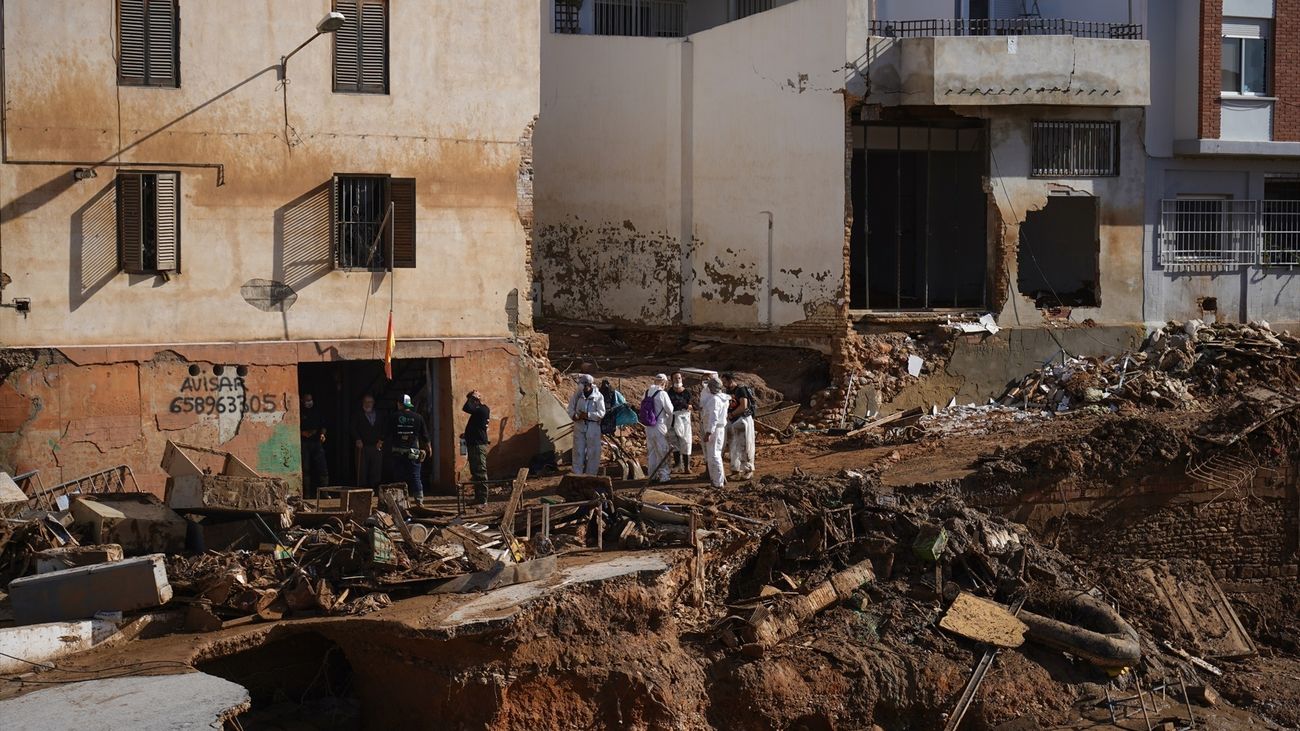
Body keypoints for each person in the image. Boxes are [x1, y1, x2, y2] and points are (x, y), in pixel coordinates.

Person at [389, 394, 430, 502]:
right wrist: (428, 446)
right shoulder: (418, 417)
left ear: (399, 404)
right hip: (413, 450)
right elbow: (425, 435)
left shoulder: (393, 417)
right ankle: (419, 500)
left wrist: (380, 441)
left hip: (397, 450)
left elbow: (386, 432)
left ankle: (399, 501)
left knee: (399, 476)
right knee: (415, 475)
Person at [568, 374, 606, 475]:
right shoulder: (577, 395)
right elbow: (570, 409)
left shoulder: (598, 397)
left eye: (583, 385)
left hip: (593, 427)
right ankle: (577, 475)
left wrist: (588, 415)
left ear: (588, 385)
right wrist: (574, 416)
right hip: (579, 426)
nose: (581, 387)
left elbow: (601, 413)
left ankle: (591, 475)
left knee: (593, 452)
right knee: (578, 451)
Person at [641, 374, 675, 483]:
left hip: (648, 426)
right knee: (662, 451)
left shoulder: (646, 392)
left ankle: (652, 475)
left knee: (652, 451)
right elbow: (670, 410)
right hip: (660, 425)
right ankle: (664, 476)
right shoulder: (662, 394)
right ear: (664, 382)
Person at [722, 372, 756, 480]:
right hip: (733, 421)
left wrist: (732, 414)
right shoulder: (728, 391)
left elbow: (744, 406)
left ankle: (748, 470)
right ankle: (736, 470)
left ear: (730, 380)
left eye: (725, 382)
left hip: (743, 420)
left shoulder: (741, 389)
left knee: (745, 446)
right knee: (733, 446)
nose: (724, 384)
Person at [699, 376, 730, 489]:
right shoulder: (723, 398)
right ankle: (718, 480)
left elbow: (713, 418)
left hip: (714, 430)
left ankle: (718, 482)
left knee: (714, 456)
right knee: (715, 454)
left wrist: (708, 432)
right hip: (719, 429)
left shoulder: (715, 400)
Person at [462, 390, 491, 506]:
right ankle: (478, 497)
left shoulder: (481, 409)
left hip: (478, 445)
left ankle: (482, 499)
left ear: (476, 401)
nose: (470, 402)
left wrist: (472, 398)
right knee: (475, 472)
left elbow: (466, 408)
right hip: (474, 444)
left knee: (480, 472)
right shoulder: (478, 411)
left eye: (472, 400)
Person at [350, 394, 384, 488]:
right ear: (362, 403)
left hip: (376, 445)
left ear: (373, 403)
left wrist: (381, 440)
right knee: (362, 469)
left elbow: (384, 428)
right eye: (366, 402)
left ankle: (374, 488)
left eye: (370, 402)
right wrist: (357, 438)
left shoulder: (379, 414)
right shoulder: (357, 414)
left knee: (376, 469)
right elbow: (352, 428)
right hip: (362, 446)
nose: (368, 404)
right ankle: (362, 489)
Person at [299, 392, 329, 496]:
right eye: (307, 400)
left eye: (310, 400)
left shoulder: (317, 411)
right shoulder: (299, 411)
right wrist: (302, 433)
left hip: (316, 442)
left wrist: (322, 434)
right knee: (306, 469)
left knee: (322, 468)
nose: (309, 402)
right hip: (304, 443)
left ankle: (324, 493)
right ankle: (306, 494)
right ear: (302, 401)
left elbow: (323, 425)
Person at [667, 372, 695, 473]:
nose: (678, 380)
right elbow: (672, 403)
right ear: (672, 380)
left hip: (684, 419)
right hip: (673, 418)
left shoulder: (686, 392)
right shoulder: (669, 392)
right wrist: (685, 405)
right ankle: (678, 464)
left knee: (686, 441)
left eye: (679, 378)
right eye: (675, 378)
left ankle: (687, 466)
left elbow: (690, 404)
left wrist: (686, 405)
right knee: (674, 442)